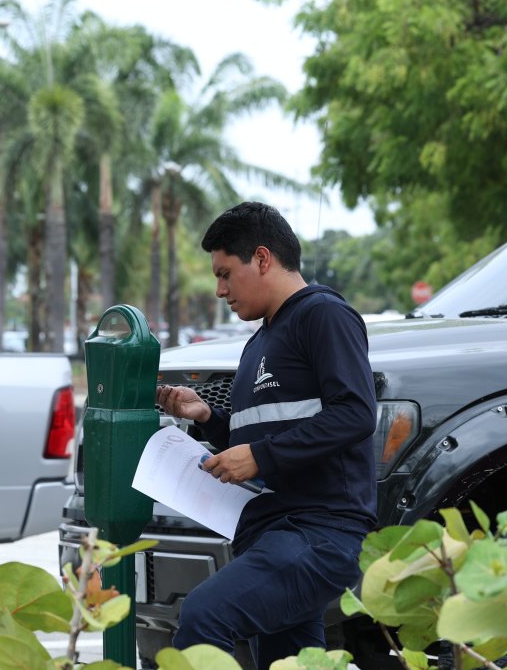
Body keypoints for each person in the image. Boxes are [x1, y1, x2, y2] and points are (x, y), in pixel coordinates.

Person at [156, 201, 377, 669]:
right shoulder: (259, 341)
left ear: (261, 259)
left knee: (203, 617)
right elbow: (259, 437)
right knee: (288, 662)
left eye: (224, 274)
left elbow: (356, 414)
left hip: (320, 532)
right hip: (271, 534)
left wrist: (259, 456)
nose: (219, 290)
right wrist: (207, 418)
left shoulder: (324, 315)